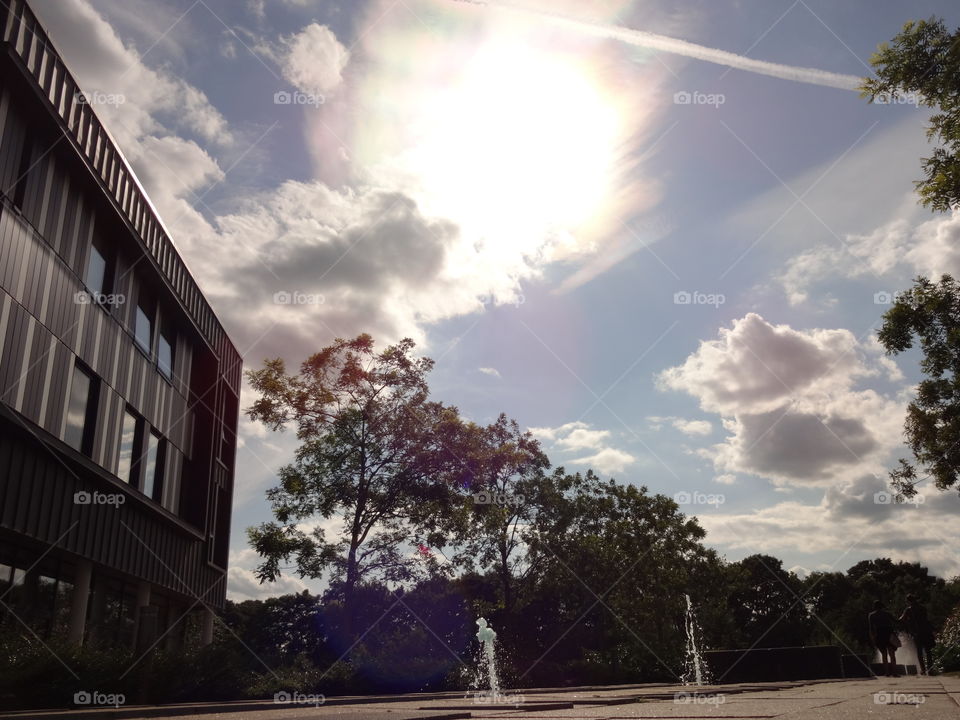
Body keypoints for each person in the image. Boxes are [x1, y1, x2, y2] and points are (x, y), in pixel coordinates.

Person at [900, 594, 935, 675]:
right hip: (926, 632)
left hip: (917, 633)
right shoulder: (923, 608)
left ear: (908, 601)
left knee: (919, 652)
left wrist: (908, 623)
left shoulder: (908, 609)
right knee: (928, 651)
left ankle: (923, 670)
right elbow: (926, 620)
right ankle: (930, 670)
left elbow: (901, 619)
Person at [868, 600, 899, 677]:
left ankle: (887, 672)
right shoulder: (887, 614)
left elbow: (871, 628)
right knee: (892, 653)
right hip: (888, 632)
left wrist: (873, 638)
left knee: (884, 654)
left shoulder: (871, 615)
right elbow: (896, 621)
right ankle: (894, 672)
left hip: (880, 634)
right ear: (882, 606)